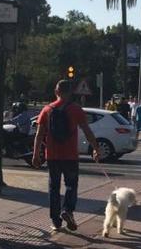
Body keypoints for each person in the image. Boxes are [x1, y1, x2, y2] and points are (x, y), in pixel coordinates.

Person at [32, 80, 100, 232]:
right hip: (70, 155)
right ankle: (67, 210)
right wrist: (96, 148)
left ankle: (56, 221)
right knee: (71, 185)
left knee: (53, 187)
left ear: (56, 92)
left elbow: (39, 134)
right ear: (70, 93)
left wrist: (36, 154)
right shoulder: (76, 110)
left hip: (53, 156)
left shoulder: (47, 110)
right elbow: (87, 131)